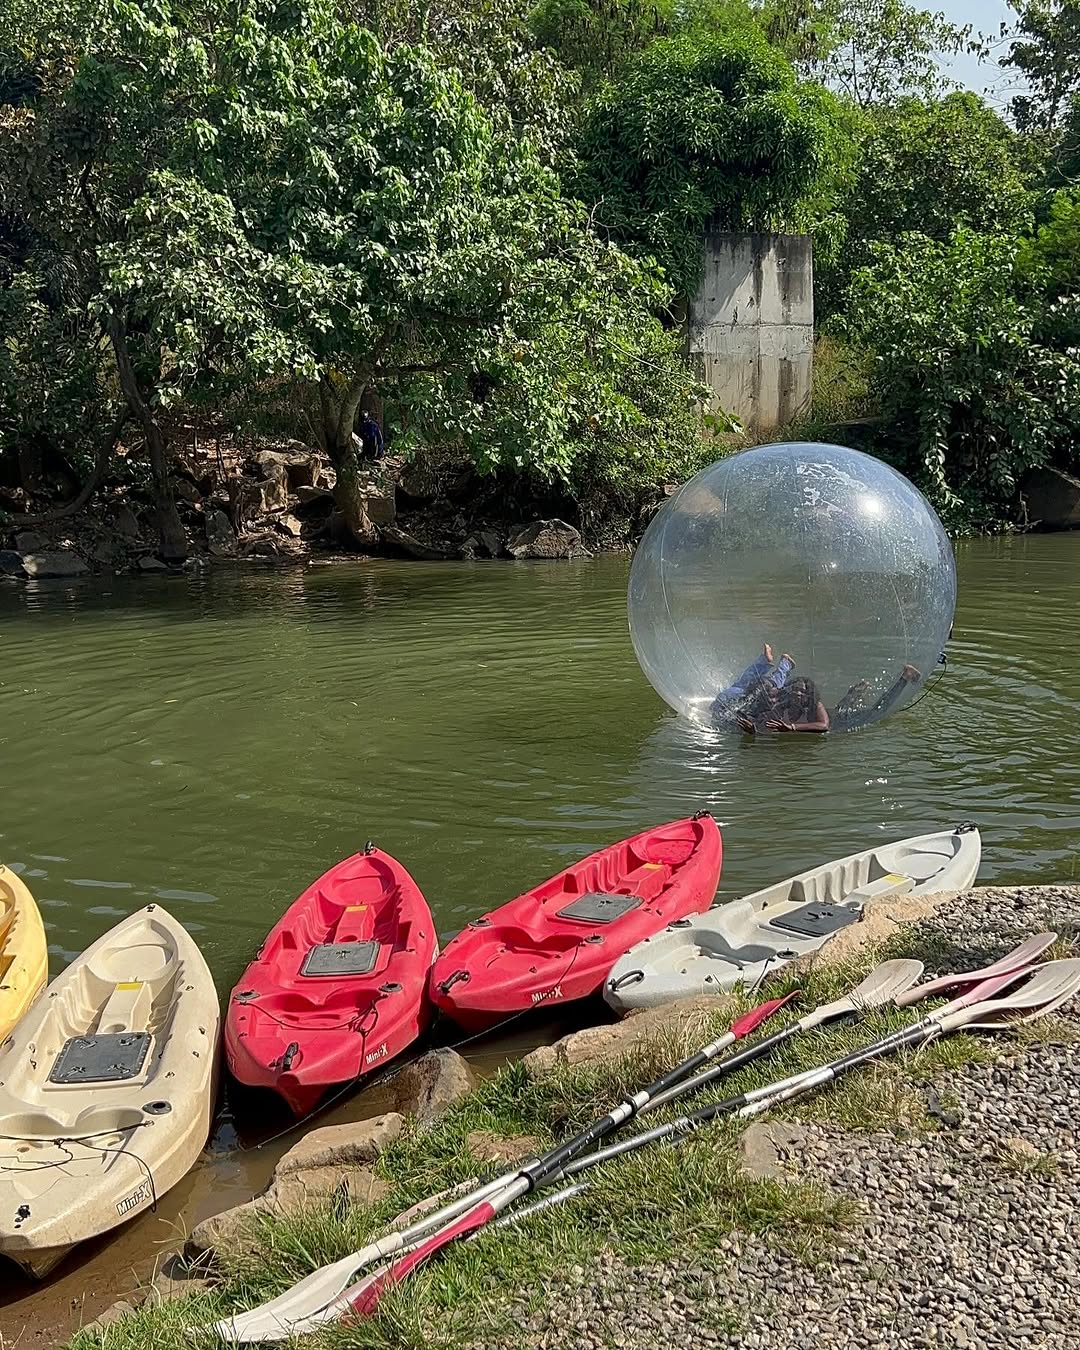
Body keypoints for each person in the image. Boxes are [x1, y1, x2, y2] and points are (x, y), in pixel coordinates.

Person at [710, 644, 794, 727]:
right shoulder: (760, 702)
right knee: (757, 679)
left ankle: (771, 661)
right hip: (757, 690)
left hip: (735, 694)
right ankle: (780, 662)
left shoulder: (745, 697)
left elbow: (716, 708)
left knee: (747, 680)